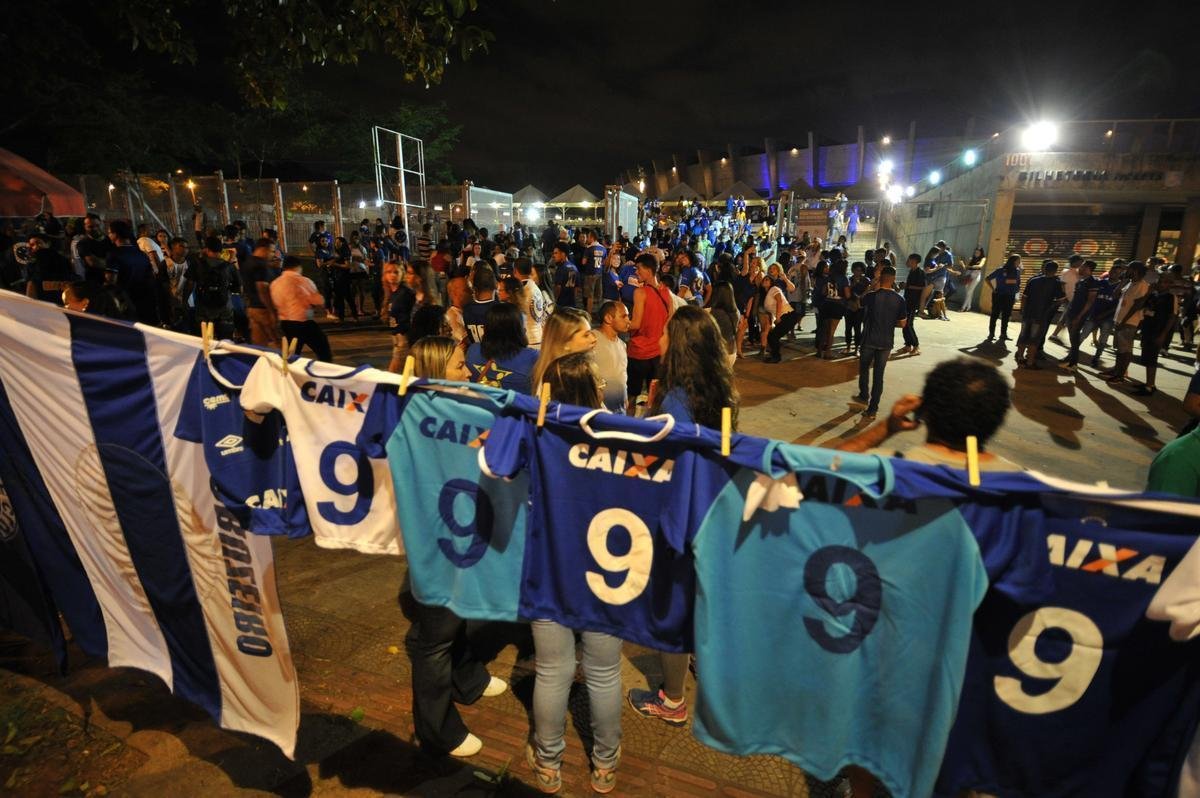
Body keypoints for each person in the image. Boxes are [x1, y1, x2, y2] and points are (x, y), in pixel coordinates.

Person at [628, 305, 737, 727]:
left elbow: (651, 451)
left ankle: (671, 700)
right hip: (710, 509)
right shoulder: (720, 388)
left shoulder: (675, 401)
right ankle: (698, 665)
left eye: (666, 335)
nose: (658, 339)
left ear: (680, 347)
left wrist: (645, 412)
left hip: (677, 514)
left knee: (670, 605)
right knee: (695, 599)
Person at [403, 334, 507, 761]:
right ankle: (436, 729)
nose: (470, 372)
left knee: (454, 616)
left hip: (459, 535)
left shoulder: (459, 408)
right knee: (435, 637)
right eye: (460, 367)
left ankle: (467, 679)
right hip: (433, 543)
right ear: (435, 374)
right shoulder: (413, 416)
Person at [525, 350, 623, 796]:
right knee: (603, 671)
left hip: (550, 567)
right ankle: (605, 765)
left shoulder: (538, 433)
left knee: (552, 669)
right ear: (591, 390)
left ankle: (548, 762)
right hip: (608, 574)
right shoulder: (625, 435)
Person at [838, 356, 1022, 471]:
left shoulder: (888, 471)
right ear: (999, 415)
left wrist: (887, 427)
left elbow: (825, 467)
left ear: (923, 410)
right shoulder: (1028, 489)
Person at [853, 265, 908, 418]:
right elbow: (903, 323)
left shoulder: (871, 296)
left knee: (864, 369)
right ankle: (873, 409)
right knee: (879, 375)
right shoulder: (900, 299)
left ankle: (864, 394)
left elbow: (858, 304)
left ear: (881, 278)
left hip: (869, 339)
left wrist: (871, 286)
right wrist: (890, 323)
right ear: (894, 279)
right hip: (886, 342)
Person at [626, 253, 673, 411]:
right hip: (658, 353)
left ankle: (629, 428)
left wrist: (621, 323)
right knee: (655, 398)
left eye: (638, 269)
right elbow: (669, 322)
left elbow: (636, 323)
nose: (636, 272)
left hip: (639, 352)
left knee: (632, 396)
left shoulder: (640, 293)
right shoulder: (666, 292)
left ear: (648, 269)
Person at [466, 302, 538, 394]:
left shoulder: (472, 351)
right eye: (523, 327)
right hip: (516, 407)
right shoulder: (532, 357)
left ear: (486, 328)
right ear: (518, 331)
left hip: (479, 406)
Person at [270, 255, 331, 362]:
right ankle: (325, 372)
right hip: (304, 322)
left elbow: (274, 303)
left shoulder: (275, 283)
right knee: (323, 350)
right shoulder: (304, 281)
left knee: (290, 355)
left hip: (285, 323)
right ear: (298, 267)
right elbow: (318, 301)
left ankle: (288, 375)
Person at [1102, 261, 1150, 385]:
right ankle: (1116, 370)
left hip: (1129, 322)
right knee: (1119, 349)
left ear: (1135, 271)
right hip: (1120, 320)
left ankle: (1120, 375)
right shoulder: (1130, 283)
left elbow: (1138, 305)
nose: (1125, 271)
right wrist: (1123, 281)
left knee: (1125, 350)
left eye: (1128, 269)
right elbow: (1115, 295)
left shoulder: (1142, 285)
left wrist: (1124, 321)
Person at [106, 219, 160, 325]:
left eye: (109, 233)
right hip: (146, 299)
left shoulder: (114, 254)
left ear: (115, 234)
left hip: (128, 301)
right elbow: (150, 275)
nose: (108, 235)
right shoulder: (141, 254)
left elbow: (111, 280)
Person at [181, 236, 236, 339]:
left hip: (203, 309)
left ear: (206, 249)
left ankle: (206, 354)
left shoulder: (197, 264)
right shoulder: (229, 266)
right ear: (221, 250)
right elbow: (238, 288)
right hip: (224, 308)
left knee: (204, 340)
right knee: (225, 341)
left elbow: (189, 284)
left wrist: (185, 301)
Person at [530, 308, 596, 391]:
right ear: (565, 343)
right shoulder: (562, 381)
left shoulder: (579, 369)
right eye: (586, 335)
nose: (593, 339)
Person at [1015, 260, 1065, 369]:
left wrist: (1022, 310)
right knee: (1034, 339)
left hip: (1028, 314)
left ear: (1044, 268)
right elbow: (1061, 299)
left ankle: (1020, 358)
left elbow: (1024, 297)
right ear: (1056, 270)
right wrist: (1052, 306)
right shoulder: (1056, 283)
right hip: (1041, 316)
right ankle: (1030, 362)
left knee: (1023, 336)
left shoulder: (1033, 280)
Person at [1134, 277, 1178, 396]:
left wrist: (1163, 335)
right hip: (1147, 329)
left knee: (1152, 358)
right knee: (1146, 357)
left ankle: (1150, 386)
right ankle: (1149, 382)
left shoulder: (1171, 298)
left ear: (1170, 285)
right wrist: (1148, 292)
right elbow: (1140, 306)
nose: (1160, 284)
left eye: (1164, 282)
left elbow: (1172, 317)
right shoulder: (1153, 295)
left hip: (1158, 331)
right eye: (1159, 282)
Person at [1061, 259, 1099, 370]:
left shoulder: (1092, 282)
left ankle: (1073, 363)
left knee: (1075, 337)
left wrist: (1079, 316)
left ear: (1088, 269)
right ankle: (1071, 359)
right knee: (1073, 338)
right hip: (1072, 312)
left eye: (1082, 266)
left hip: (1079, 315)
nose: (1079, 268)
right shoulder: (1081, 281)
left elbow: (1090, 301)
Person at [241, 238, 279, 347]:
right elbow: (262, 289)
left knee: (259, 344)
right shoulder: (261, 265)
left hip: (252, 308)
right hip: (263, 309)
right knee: (277, 342)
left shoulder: (248, 262)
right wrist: (271, 311)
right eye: (272, 251)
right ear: (263, 249)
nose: (273, 255)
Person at [593, 300, 630, 413]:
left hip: (619, 409)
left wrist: (625, 396)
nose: (628, 321)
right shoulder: (592, 340)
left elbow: (622, 373)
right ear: (608, 318)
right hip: (599, 411)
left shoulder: (622, 345)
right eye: (624, 316)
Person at [763, 266, 799, 363]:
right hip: (784, 316)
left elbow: (779, 301)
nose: (765, 281)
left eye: (767, 280)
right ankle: (774, 355)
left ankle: (776, 357)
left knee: (772, 336)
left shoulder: (774, 289)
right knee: (773, 336)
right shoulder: (767, 294)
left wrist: (778, 317)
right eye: (764, 280)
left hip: (788, 315)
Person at [985, 255, 1022, 342]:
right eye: (1018, 261)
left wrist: (1016, 293)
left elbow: (1017, 283)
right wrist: (993, 289)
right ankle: (991, 334)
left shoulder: (1017, 271)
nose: (1020, 263)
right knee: (995, 315)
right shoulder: (1001, 270)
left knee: (1006, 316)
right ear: (1013, 261)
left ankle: (1003, 334)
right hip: (999, 295)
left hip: (1010, 296)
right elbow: (987, 279)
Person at [514, 257, 548, 348]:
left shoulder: (522, 290)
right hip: (539, 336)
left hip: (528, 339)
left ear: (515, 271)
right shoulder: (535, 287)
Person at [1049, 254, 1084, 342]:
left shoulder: (1077, 272)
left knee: (1066, 317)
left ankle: (1056, 334)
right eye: (1080, 261)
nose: (1082, 263)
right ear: (1075, 262)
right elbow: (1062, 285)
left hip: (1074, 298)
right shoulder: (1066, 272)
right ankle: (1055, 334)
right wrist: (1065, 297)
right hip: (1068, 298)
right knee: (1066, 317)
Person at [899, 253, 924, 355]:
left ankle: (916, 346)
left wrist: (907, 286)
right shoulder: (911, 271)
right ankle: (908, 345)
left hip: (913, 302)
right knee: (904, 324)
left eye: (909, 260)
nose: (907, 262)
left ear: (914, 261)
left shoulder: (920, 272)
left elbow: (922, 287)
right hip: (907, 300)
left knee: (908, 324)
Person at [550, 242, 579, 309]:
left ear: (563, 254)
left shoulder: (561, 268)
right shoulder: (574, 267)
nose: (554, 256)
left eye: (556, 253)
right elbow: (576, 288)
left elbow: (558, 287)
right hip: (571, 305)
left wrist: (554, 301)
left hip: (561, 305)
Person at [959, 247, 986, 312]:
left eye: (978, 252)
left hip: (976, 275)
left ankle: (963, 307)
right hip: (968, 275)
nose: (976, 253)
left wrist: (973, 266)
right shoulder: (971, 258)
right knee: (969, 291)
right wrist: (962, 264)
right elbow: (966, 267)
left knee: (969, 291)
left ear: (981, 253)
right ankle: (969, 306)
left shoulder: (983, 258)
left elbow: (980, 266)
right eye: (975, 252)